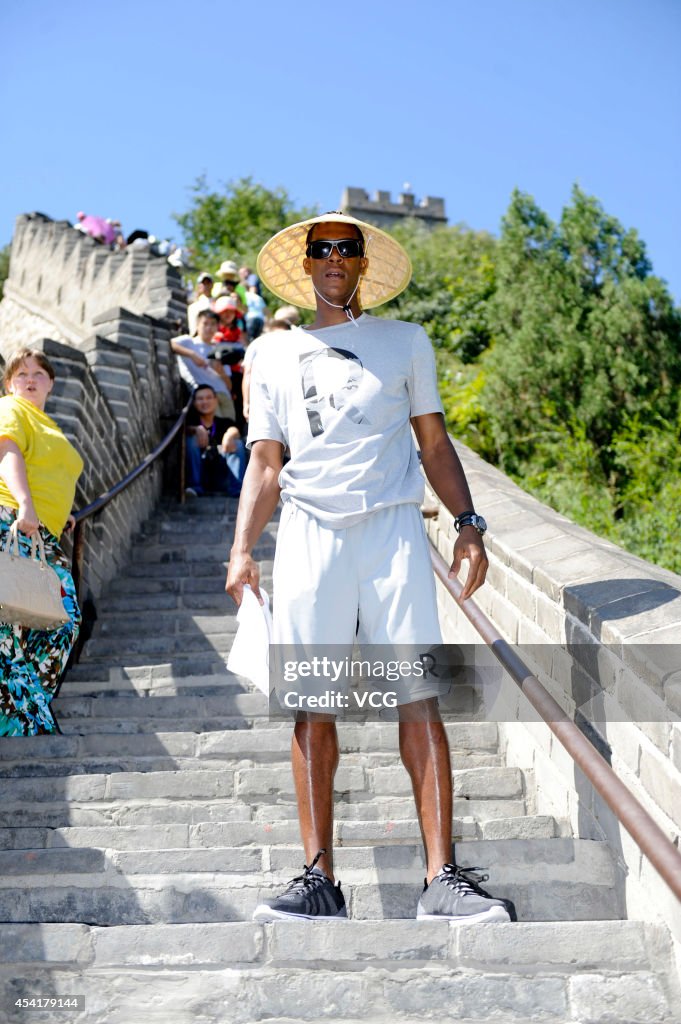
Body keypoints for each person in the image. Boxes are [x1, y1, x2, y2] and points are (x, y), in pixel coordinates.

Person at [226, 213, 516, 925]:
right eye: (320, 250)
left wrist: (469, 523)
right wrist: (240, 551)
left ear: (362, 265)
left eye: (345, 250)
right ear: (305, 264)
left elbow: (434, 443)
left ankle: (441, 878)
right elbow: (265, 462)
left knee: (416, 694)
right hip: (307, 534)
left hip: (390, 528)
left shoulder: (403, 341)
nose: (332, 259)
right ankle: (318, 878)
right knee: (311, 702)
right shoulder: (270, 356)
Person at [0, 348, 84, 736]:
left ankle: (21, 711)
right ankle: (25, 720)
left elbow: (47, 469)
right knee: (9, 621)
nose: (29, 379)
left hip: (41, 530)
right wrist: (27, 505)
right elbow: (8, 453)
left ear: (51, 382)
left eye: (38, 373)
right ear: (9, 383)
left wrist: (58, 512)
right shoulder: (11, 408)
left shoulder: (48, 424)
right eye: (20, 374)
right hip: (12, 519)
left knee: (62, 622)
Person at [170, 309, 236, 420]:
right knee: (215, 432)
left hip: (224, 395)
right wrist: (192, 355)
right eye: (205, 323)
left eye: (213, 324)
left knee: (231, 429)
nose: (209, 328)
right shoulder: (189, 342)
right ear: (197, 325)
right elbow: (171, 344)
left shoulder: (220, 349)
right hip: (206, 396)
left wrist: (222, 373)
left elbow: (229, 386)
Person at [185, 385, 246, 498]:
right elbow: (185, 430)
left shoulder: (224, 422)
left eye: (208, 398)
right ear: (194, 403)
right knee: (190, 439)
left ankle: (238, 490)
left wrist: (229, 435)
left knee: (236, 443)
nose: (205, 402)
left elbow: (235, 430)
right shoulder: (189, 422)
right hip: (200, 473)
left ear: (216, 400)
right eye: (200, 399)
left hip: (222, 475)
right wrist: (195, 429)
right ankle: (194, 487)